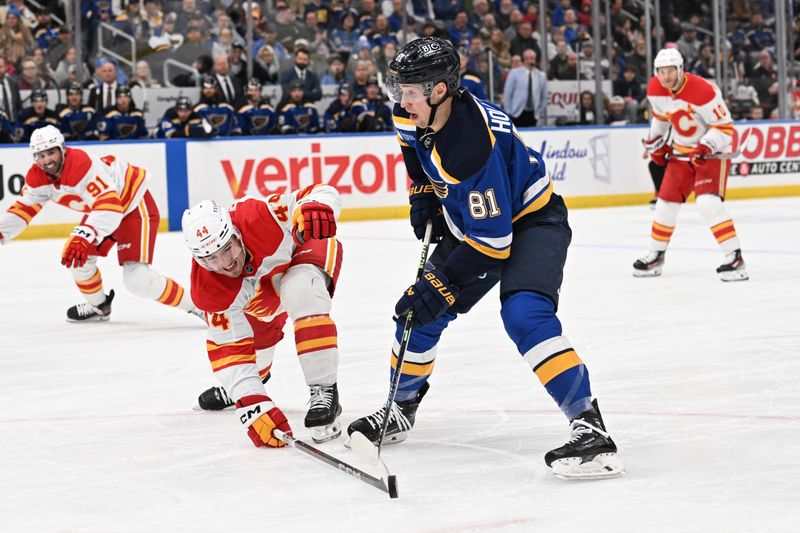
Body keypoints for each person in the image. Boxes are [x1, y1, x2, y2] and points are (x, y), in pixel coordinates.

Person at [346, 37, 624, 480]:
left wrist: (440, 283)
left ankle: (590, 427)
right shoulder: (413, 107)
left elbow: (494, 245)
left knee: (524, 313)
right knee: (416, 316)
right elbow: (409, 146)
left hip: (531, 220)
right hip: (474, 225)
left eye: (411, 91)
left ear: (440, 90)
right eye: (399, 89)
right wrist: (421, 192)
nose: (401, 99)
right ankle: (400, 410)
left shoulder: (470, 147)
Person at [181, 186, 344, 446]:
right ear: (199, 261)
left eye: (226, 248)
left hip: (305, 249)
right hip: (264, 282)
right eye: (211, 258)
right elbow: (230, 350)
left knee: (300, 289)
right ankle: (257, 376)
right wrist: (251, 403)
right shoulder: (209, 288)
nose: (225, 263)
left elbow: (321, 190)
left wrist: (316, 206)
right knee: (255, 332)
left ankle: (323, 389)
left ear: (235, 233)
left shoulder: (258, 215)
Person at [0, 125, 203, 322]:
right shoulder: (37, 177)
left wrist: (84, 234)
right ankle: (99, 306)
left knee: (137, 280)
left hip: (132, 204)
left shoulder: (79, 164)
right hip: (103, 212)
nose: (47, 161)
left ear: (62, 149)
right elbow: (23, 209)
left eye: (51, 153)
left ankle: (200, 307)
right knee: (75, 258)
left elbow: (111, 205)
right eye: (41, 155)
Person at [636, 48, 748, 281]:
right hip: (682, 153)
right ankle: (656, 256)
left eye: (670, 71)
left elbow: (725, 128)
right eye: (661, 72)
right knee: (665, 203)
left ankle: (734, 257)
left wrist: (707, 145)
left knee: (708, 202)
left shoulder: (704, 91)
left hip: (711, 152)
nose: (665, 77)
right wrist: (654, 142)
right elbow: (661, 118)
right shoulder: (655, 88)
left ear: (681, 69)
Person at [503, 48, 547, 127]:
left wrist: (540, 111)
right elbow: (507, 93)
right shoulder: (514, 73)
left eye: (532, 58)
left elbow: (544, 96)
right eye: (527, 58)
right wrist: (508, 111)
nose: (530, 61)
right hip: (517, 112)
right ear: (523, 60)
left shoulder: (541, 75)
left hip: (533, 113)